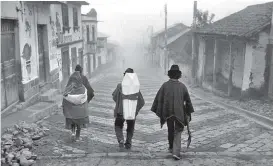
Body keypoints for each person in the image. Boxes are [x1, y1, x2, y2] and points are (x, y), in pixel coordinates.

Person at [151, 65, 194, 160]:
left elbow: (159, 98)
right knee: (178, 131)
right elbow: (188, 101)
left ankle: (171, 147)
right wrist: (188, 113)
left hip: (168, 113)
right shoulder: (183, 87)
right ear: (178, 75)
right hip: (179, 113)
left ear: (170, 74)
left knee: (170, 130)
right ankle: (176, 152)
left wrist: (160, 109)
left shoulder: (165, 85)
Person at [112, 68, 145, 150]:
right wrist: (135, 110)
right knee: (130, 128)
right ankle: (128, 143)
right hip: (131, 112)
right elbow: (141, 101)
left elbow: (114, 96)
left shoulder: (120, 86)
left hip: (121, 111)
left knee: (118, 126)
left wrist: (119, 103)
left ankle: (120, 139)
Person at [62, 65, 94, 141]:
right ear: (81, 71)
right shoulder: (83, 78)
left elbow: (66, 91)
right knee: (79, 119)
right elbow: (90, 91)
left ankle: (73, 133)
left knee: (73, 118)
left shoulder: (71, 78)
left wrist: (65, 103)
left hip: (71, 103)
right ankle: (77, 136)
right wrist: (86, 100)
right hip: (81, 103)